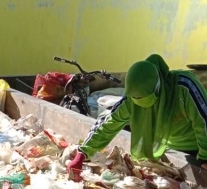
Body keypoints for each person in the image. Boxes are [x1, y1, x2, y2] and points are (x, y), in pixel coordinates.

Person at [67, 54, 207, 181]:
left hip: (198, 147)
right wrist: (83, 152)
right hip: (168, 146)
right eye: (135, 97)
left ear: (158, 87)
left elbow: (203, 120)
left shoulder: (184, 87)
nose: (138, 100)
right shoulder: (130, 101)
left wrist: (204, 157)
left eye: (143, 97)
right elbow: (109, 123)